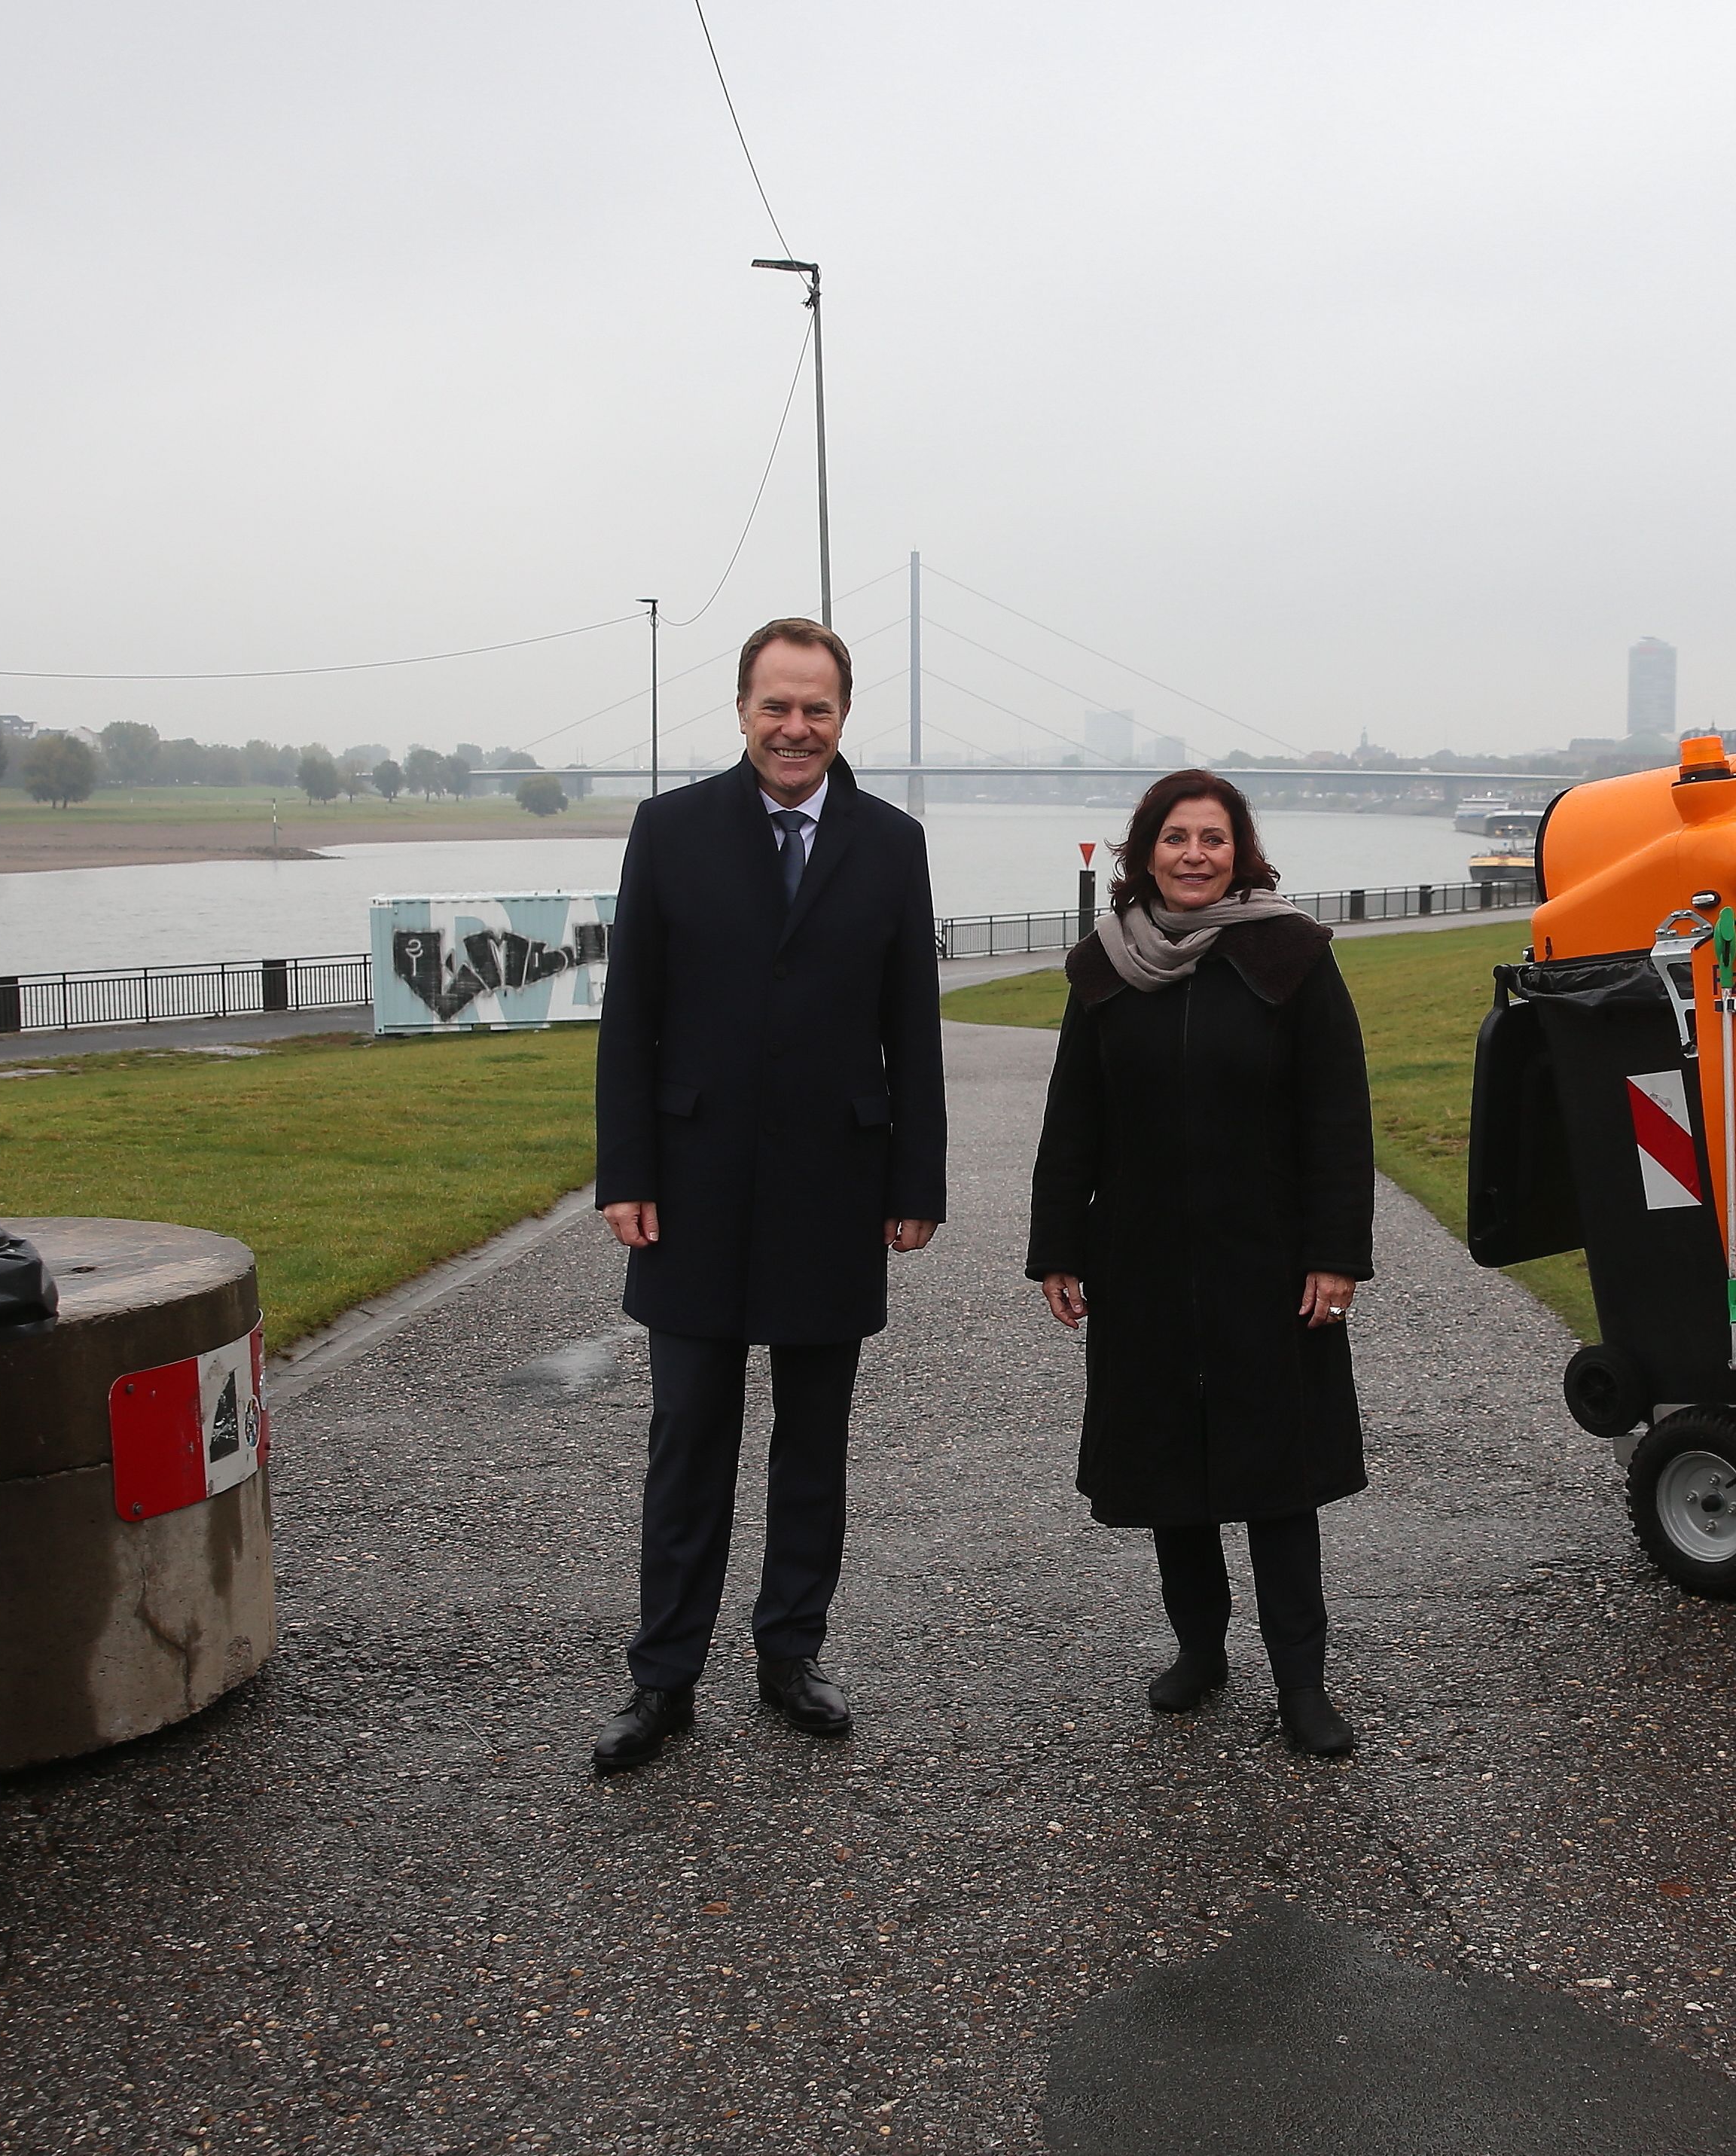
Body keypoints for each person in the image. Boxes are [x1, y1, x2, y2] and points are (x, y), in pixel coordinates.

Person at [588, 617, 947, 1773]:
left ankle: (790, 1653)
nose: (796, 729)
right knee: (688, 1439)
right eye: (775, 706)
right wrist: (627, 1170)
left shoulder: (891, 845)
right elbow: (629, 1016)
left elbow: (913, 1030)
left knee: (812, 1443)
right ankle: (663, 1678)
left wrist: (916, 1180)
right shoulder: (671, 830)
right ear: (741, 708)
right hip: (688, 1189)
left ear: (845, 717)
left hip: (833, 1188)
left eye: (818, 709)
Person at [1025, 773, 1376, 1757]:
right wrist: (1056, 1244)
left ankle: (1302, 1686)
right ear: (1144, 853)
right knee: (1168, 1472)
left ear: (1240, 851)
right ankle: (1200, 1651)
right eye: (1174, 838)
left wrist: (1335, 1254)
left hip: (1263, 1262)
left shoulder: (1291, 957)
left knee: (1277, 1479)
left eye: (1210, 839)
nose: (1191, 855)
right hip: (1139, 1261)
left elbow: (1337, 1118)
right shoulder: (1103, 968)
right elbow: (1074, 1118)